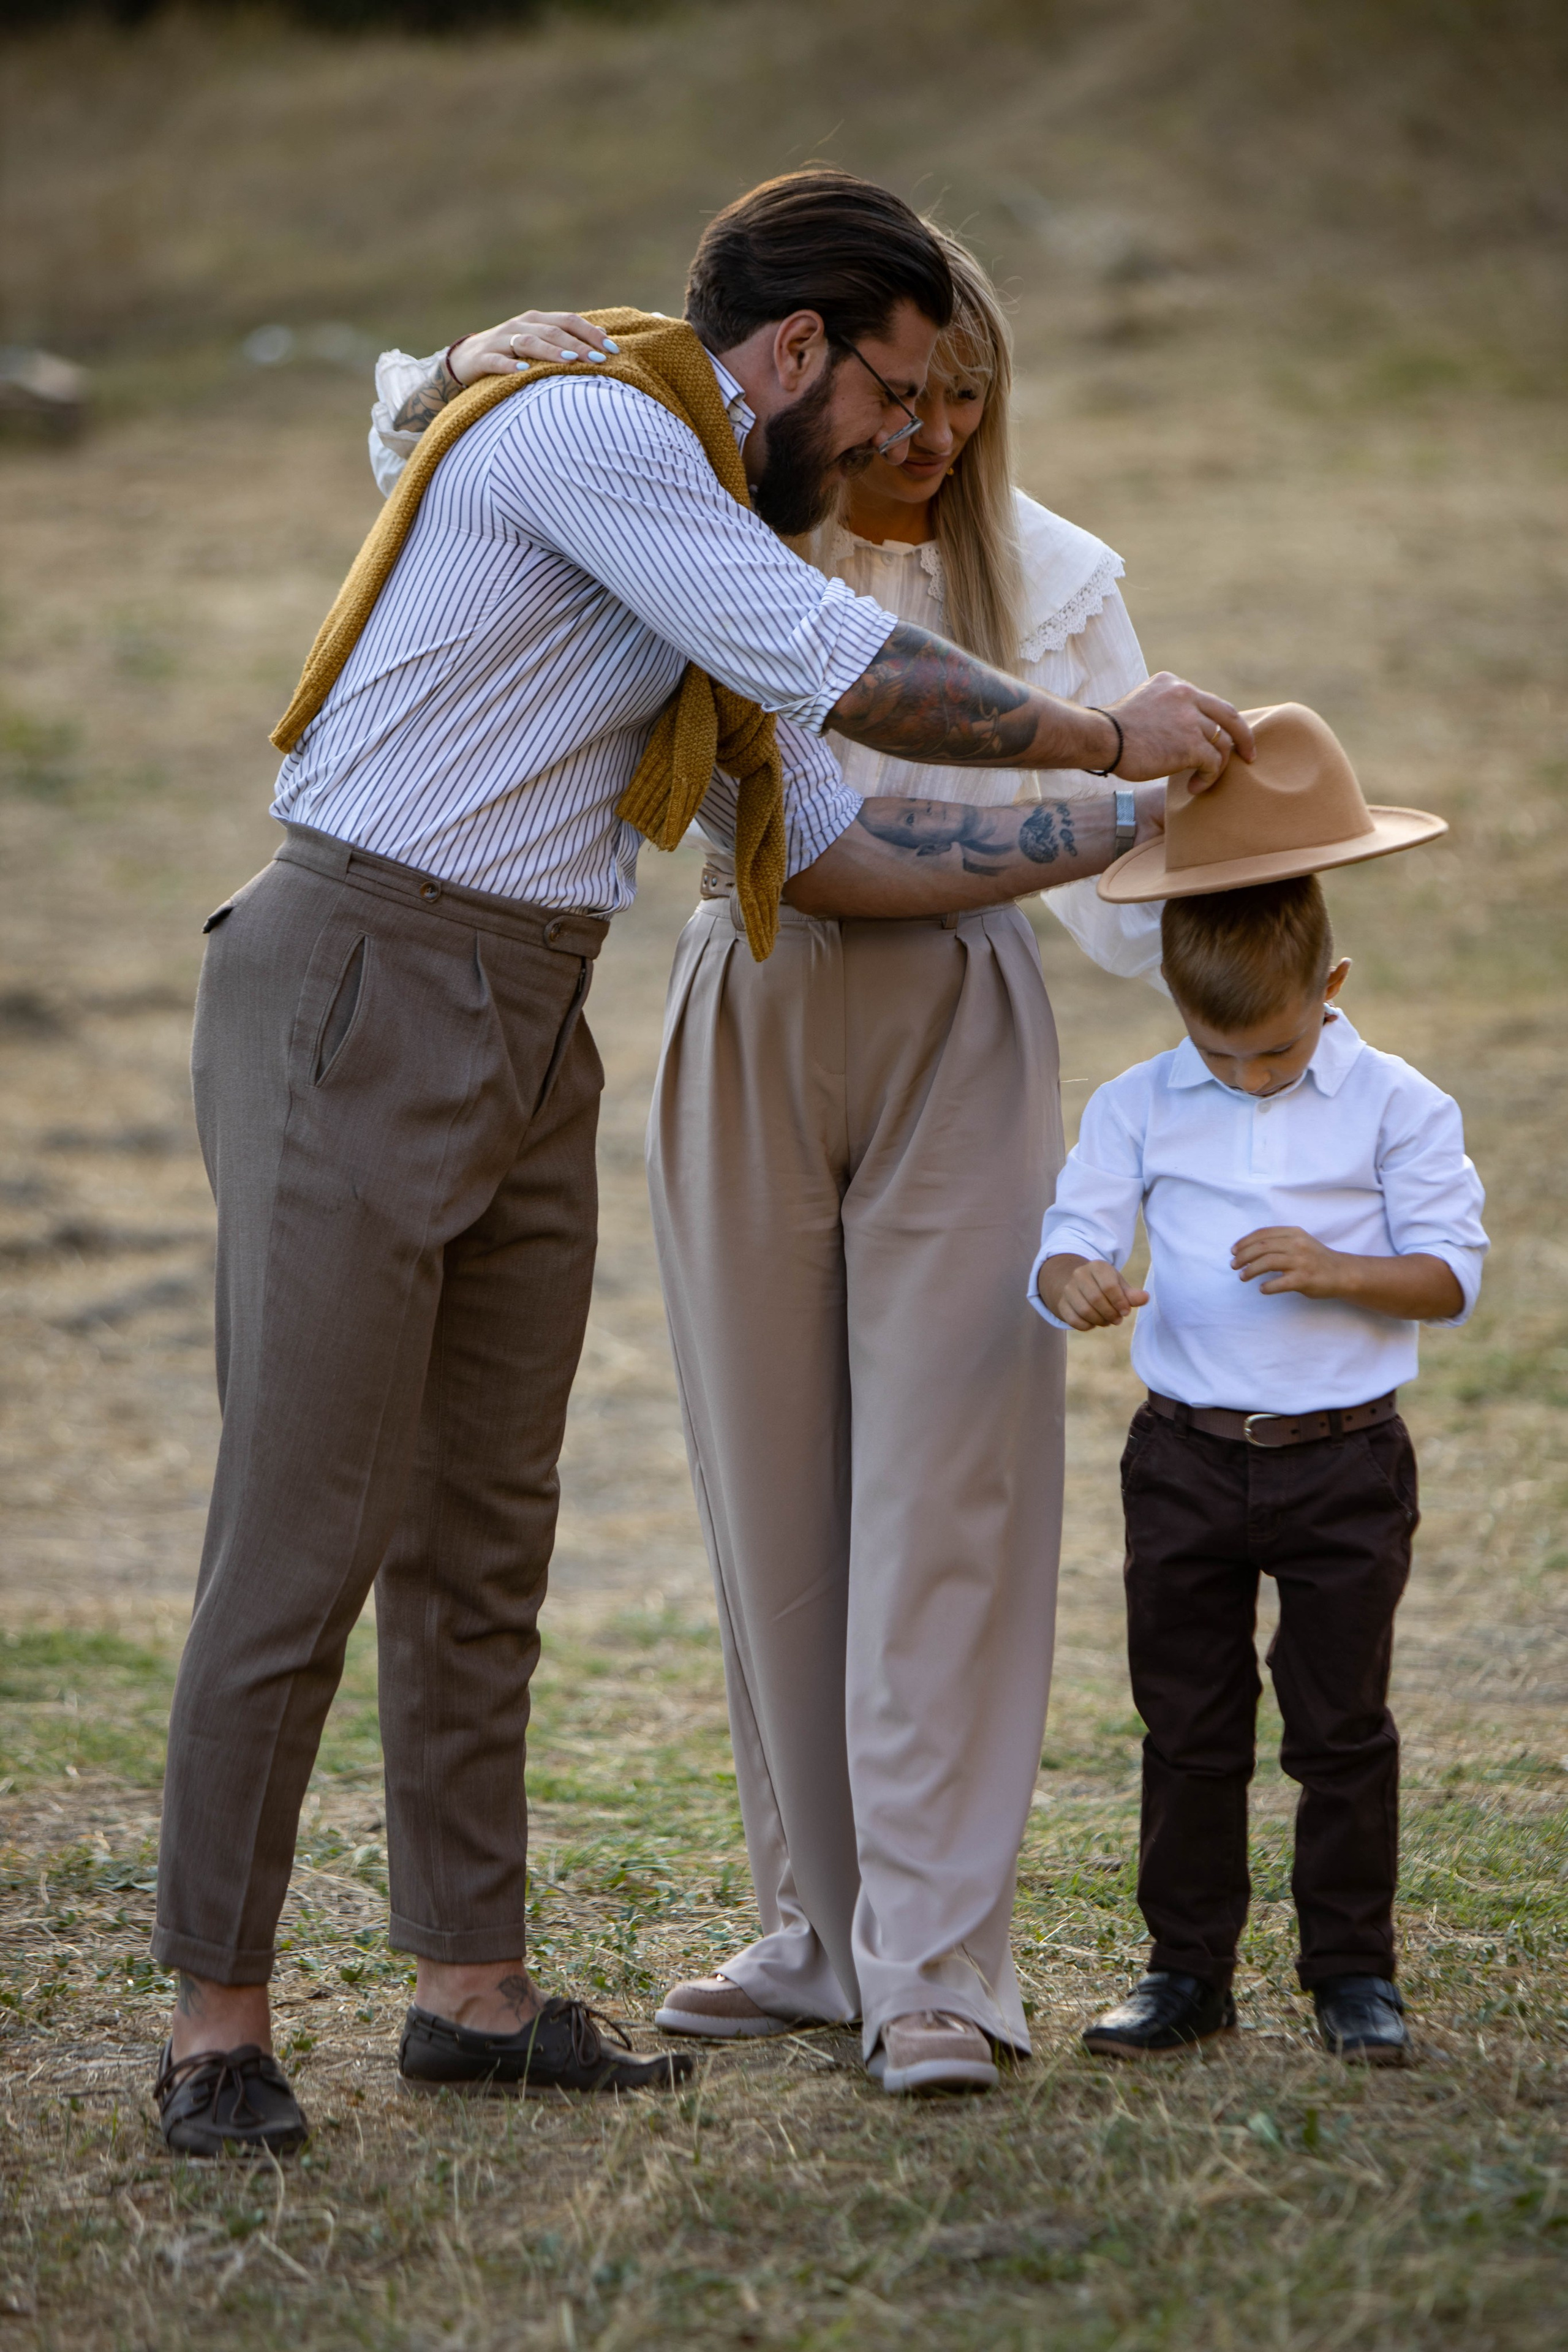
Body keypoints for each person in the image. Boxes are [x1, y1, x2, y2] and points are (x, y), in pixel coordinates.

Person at [151, 168, 1250, 2155]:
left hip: (533, 1001)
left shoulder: (715, 530)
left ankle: (468, 1990)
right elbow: (854, 672)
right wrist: (1101, 737)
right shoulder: (601, 435)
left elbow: (826, 835)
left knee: (489, 1525)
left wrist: (1128, 838)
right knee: (305, 1522)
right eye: (898, 391)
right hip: (359, 975)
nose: (918, 439)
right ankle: (217, 2023)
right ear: (801, 349)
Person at [379, 231, 1188, 2097]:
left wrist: (1249, 938)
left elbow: (1136, 884)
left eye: (962, 399)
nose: (931, 430)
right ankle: (821, 1930)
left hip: (957, 1016)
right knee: (775, 1493)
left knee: (949, 1493)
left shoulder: (1054, 579)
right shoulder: (734, 506)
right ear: (833, 370)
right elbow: (447, 470)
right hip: (742, 995)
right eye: (908, 392)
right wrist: (456, 367)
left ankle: (940, 1970)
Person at [1030, 706, 1487, 2065]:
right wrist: (1072, 1283)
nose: (1243, 1078)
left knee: (1337, 1726)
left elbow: (1449, 1277)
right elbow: (1071, 1236)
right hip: (1182, 1459)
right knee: (1188, 1724)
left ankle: (1350, 1969)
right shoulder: (1139, 1103)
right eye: (1216, 1054)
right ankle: (1185, 1970)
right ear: (1174, 1010)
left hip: (1342, 1461)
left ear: (1328, 987)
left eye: (1273, 1054)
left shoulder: (1396, 1105)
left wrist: (1342, 1268)